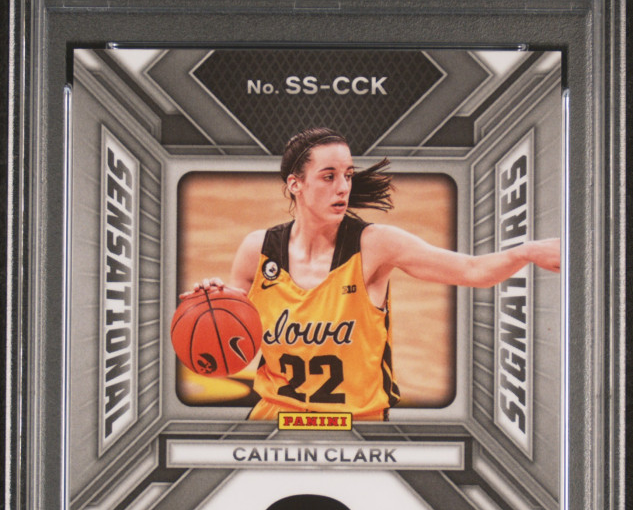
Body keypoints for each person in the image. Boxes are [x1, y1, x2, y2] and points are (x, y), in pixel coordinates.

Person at [190, 127, 560, 421]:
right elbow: (233, 348)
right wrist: (210, 306)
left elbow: (473, 270)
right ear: (295, 184)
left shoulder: (376, 246)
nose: (343, 188)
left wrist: (524, 252)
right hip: (276, 422)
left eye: (348, 175)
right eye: (329, 176)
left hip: (357, 430)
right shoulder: (258, 250)